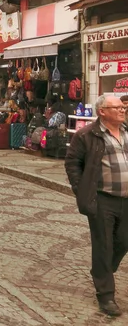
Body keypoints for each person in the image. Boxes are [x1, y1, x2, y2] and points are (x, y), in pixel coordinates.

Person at [65, 95, 128, 317]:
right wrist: (81, 189)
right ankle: (106, 295)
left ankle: (102, 269)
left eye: (123, 107)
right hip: (102, 199)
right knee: (103, 244)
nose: (122, 110)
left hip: (126, 199)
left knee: (123, 241)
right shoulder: (86, 135)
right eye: (117, 108)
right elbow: (73, 163)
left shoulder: (127, 132)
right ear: (102, 111)